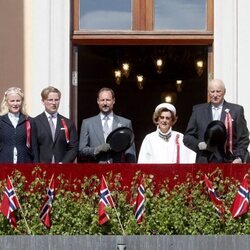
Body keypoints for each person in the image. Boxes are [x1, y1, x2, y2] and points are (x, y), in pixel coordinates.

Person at [184, 78, 249, 163]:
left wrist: (239, 157)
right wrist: (199, 144)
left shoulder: (236, 111)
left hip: (229, 160)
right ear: (208, 92)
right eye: (212, 91)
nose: (215, 95)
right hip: (205, 161)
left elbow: (243, 138)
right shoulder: (198, 110)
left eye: (218, 91)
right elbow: (188, 137)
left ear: (224, 92)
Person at [79, 87, 136, 163]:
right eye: (102, 100)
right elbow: (81, 150)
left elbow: (131, 152)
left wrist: (130, 171)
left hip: (118, 170)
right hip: (95, 171)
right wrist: (97, 149)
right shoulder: (87, 123)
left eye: (108, 100)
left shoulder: (125, 123)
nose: (105, 103)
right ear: (98, 101)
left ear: (113, 101)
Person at [34, 86, 78, 163]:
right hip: (42, 168)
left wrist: (63, 163)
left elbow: (73, 147)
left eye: (56, 100)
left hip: (62, 168)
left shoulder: (68, 123)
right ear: (43, 101)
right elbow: (33, 148)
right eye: (50, 100)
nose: (54, 103)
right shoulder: (35, 122)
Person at [0, 87, 38, 163]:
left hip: (24, 161)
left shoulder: (29, 121)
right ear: (7, 102)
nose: (15, 104)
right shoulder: (1, 120)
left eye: (18, 101)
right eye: (12, 101)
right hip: (4, 162)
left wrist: (36, 165)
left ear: (22, 102)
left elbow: (34, 147)